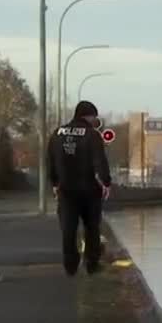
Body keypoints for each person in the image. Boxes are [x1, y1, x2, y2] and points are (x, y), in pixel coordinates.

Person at [47, 100, 112, 275]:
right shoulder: (92, 135)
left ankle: (70, 265)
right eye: (94, 117)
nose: (95, 121)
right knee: (92, 228)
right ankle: (92, 264)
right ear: (89, 116)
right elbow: (100, 162)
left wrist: (54, 183)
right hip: (89, 191)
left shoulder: (57, 134)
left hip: (66, 190)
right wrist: (106, 182)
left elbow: (50, 161)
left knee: (68, 229)